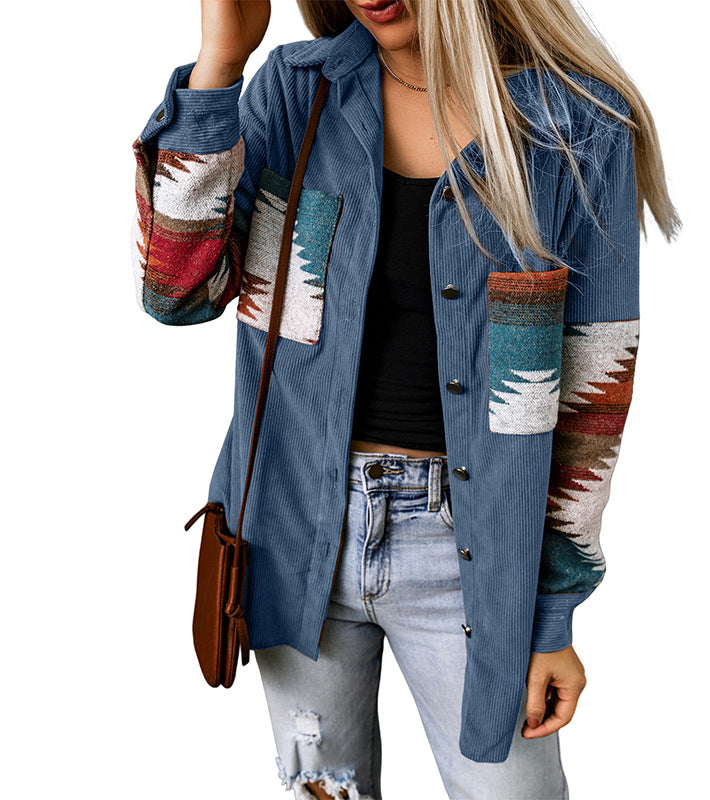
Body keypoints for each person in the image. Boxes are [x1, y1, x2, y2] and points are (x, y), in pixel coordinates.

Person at [130, 1, 680, 798]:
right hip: (296, 534)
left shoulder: (575, 124)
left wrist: (553, 615)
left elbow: (594, 395)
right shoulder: (299, 92)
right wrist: (218, 67)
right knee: (327, 787)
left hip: (475, 553)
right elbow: (177, 290)